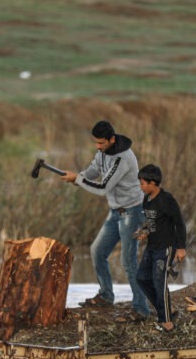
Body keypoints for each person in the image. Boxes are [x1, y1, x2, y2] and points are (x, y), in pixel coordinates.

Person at [60, 120, 150, 319]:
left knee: (128, 261)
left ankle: (141, 309)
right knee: (97, 251)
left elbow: (103, 188)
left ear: (112, 139)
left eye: (101, 143)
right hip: (116, 211)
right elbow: (93, 170)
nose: (98, 147)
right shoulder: (102, 153)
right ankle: (106, 295)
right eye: (95, 143)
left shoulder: (123, 159)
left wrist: (78, 180)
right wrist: (79, 177)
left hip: (132, 212)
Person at [135, 164, 187, 332]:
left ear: (152, 183)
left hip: (165, 248)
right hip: (152, 247)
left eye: (142, 183)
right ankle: (165, 308)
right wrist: (144, 231)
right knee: (141, 278)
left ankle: (166, 321)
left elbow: (179, 223)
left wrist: (181, 248)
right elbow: (151, 223)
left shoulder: (167, 200)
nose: (140, 187)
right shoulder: (146, 199)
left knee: (159, 282)